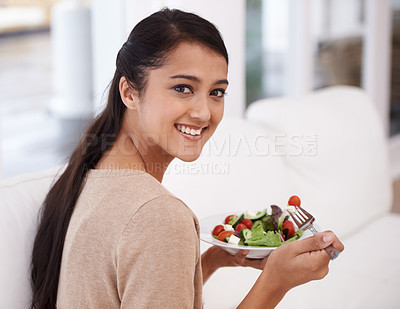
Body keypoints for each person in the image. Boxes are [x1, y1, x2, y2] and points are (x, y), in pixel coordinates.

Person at [30, 8, 344, 309]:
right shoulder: (158, 216)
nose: (204, 112)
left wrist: (210, 262)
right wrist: (276, 283)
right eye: (183, 88)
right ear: (129, 92)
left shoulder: (91, 172)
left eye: (216, 92)